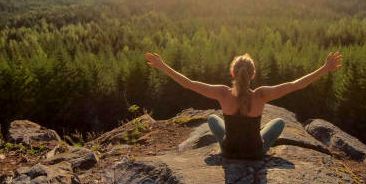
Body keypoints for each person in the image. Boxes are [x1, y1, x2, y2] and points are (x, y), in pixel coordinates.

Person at [145, 51, 343, 159]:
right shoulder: (261, 94)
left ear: (232, 74)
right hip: (254, 153)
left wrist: (162, 66)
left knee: (213, 119)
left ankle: (228, 143)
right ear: (253, 75)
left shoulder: (222, 93)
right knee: (279, 123)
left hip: (229, 152)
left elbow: (188, 83)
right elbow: (296, 85)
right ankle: (256, 142)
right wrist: (324, 69)